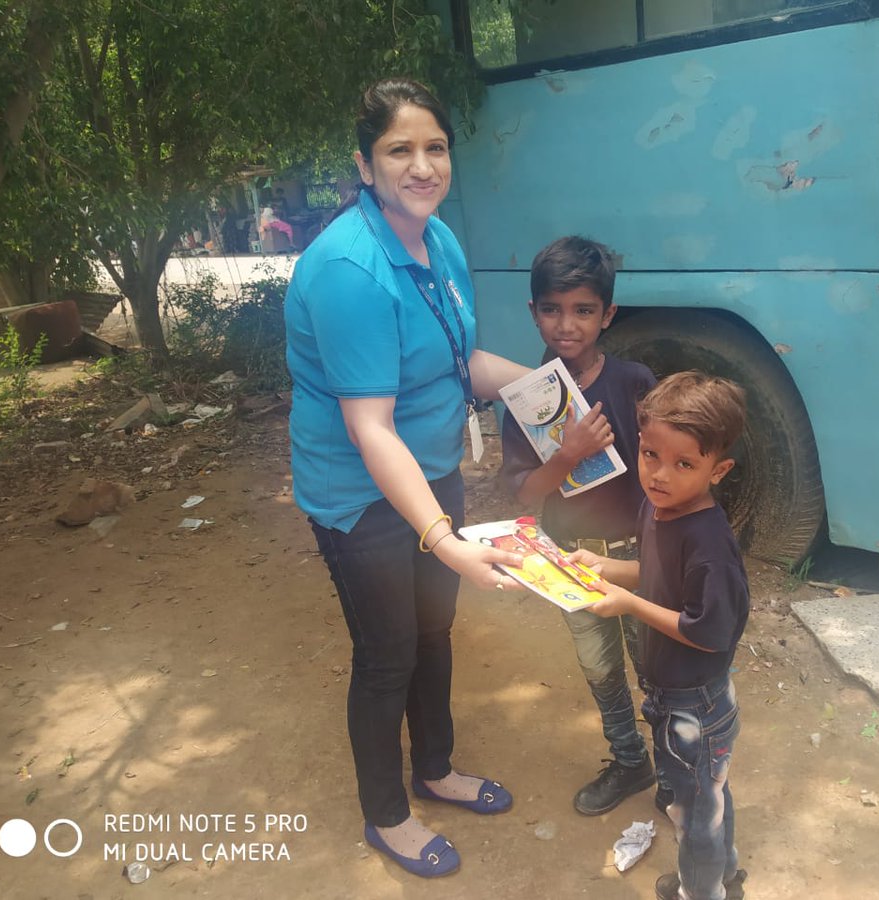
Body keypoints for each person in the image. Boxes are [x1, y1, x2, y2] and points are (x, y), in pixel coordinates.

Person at [283, 77, 529, 880]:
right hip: (362, 496)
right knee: (387, 652)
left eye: (435, 147)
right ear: (364, 164)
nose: (422, 166)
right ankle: (387, 814)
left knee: (433, 634)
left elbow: (461, 365)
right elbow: (369, 426)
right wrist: (445, 540)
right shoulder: (350, 270)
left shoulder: (438, 239)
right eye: (400, 150)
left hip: (429, 470)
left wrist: (550, 391)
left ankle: (437, 768)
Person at [571, 372, 751, 900]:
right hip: (674, 695)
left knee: (697, 812)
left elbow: (708, 631)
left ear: (718, 470)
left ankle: (701, 892)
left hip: (697, 704)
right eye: (650, 455)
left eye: (684, 464)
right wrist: (605, 567)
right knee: (707, 798)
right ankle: (725, 876)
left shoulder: (709, 545)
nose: (660, 475)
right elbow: (653, 573)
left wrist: (628, 605)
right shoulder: (660, 509)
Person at [499, 236, 660, 815]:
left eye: (583, 310)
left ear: (607, 314)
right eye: (552, 309)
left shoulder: (635, 382)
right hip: (569, 559)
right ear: (534, 311)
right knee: (599, 667)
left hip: (637, 556)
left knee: (655, 665)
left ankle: (672, 771)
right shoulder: (526, 398)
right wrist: (565, 457)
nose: (566, 325)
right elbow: (523, 490)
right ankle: (629, 760)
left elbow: (664, 472)